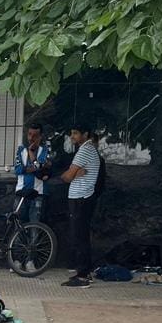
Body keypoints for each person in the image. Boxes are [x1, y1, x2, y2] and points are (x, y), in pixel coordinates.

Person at [60, 123, 101, 288]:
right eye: (71, 133)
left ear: (85, 134)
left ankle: (82, 276)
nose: (72, 137)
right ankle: (85, 272)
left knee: (79, 237)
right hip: (84, 197)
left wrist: (72, 172)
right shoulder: (90, 150)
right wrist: (75, 172)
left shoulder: (85, 150)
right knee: (82, 235)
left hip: (80, 198)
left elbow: (67, 177)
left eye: (76, 133)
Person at [12, 124, 51, 224]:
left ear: (40, 136)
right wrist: (37, 167)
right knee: (18, 225)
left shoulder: (45, 150)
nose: (31, 138)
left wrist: (31, 154)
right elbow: (18, 169)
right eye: (29, 134)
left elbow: (43, 168)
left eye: (35, 135)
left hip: (38, 193)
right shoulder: (21, 150)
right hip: (21, 192)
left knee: (35, 225)